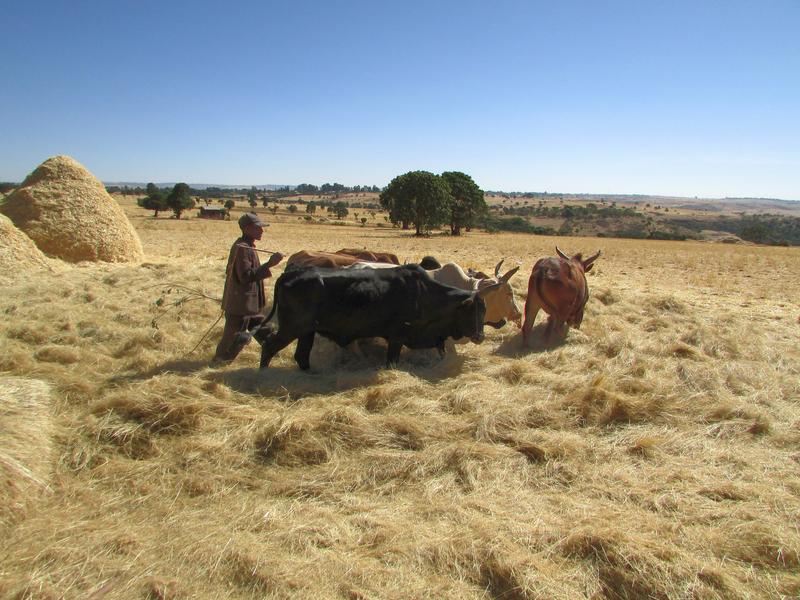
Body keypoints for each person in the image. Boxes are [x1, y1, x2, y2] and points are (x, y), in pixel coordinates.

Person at [212, 212, 283, 364]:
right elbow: (245, 276)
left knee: (264, 332)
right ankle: (219, 363)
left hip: (250, 305)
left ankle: (273, 352)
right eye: (258, 228)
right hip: (240, 305)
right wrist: (270, 264)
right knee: (234, 336)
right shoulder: (242, 248)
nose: (262, 231)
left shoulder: (248, 246)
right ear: (247, 229)